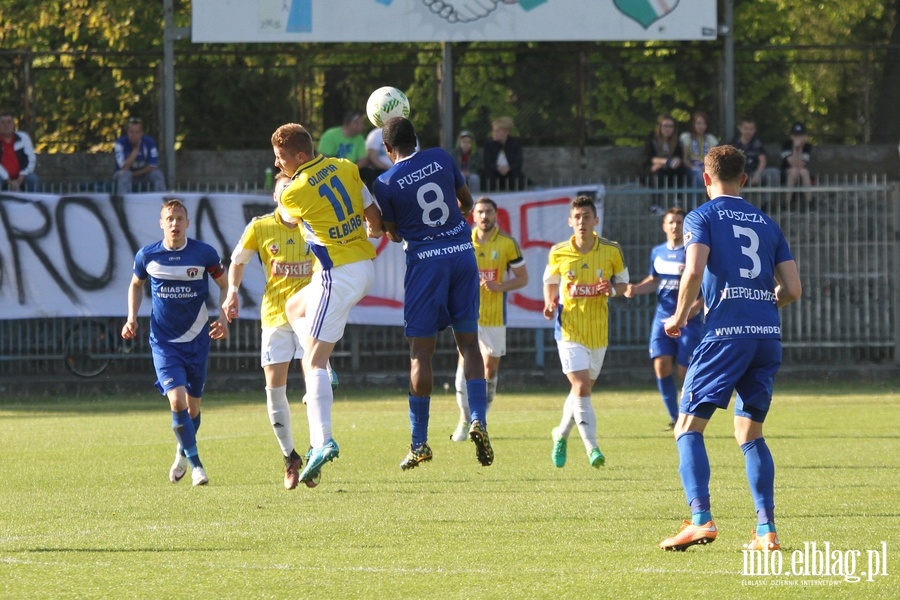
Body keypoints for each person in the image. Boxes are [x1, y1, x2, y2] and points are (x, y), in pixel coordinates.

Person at [658, 145, 802, 552]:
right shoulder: (767, 222)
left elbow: (694, 269)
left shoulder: (701, 216)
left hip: (726, 334)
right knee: (750, 431)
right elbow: (793, 289)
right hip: (766, 335)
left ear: (706, 179)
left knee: (687, 427)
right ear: (745, 178)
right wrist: (763, 303)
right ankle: (766, 531)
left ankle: (701, 519)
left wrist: (679, 316)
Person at [373, 116, 493, 471]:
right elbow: (468, 203)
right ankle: (478, 420)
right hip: (462, 254)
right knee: (469, 345)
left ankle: (419, 443)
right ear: (416, 139)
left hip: (426, 264)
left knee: (420, 352)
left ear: (388, 149)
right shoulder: (441, 157)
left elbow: (394, 234)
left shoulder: (385, 182)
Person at [271, 122, 383, 487]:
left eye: (281, 159)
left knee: (311, 362)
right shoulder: (347, 167)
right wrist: (368, 232)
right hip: (362, 266)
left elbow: (287, 219)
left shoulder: (294, 191)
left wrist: (280, 191)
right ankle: (326, 370)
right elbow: (374, 219)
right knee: (293, 307)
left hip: (338, 273)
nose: (278, 165)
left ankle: (322, 441)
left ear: (300, 156)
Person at [223, 173, 337, 490]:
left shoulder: (313, 225)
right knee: (275, 391)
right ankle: (290, 457)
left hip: (308, 317)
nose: (288, 195)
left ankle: (317, 449)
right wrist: (232, 291)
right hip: (275, 318)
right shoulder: (260, 227)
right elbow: (238, 261)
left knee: (317, 381)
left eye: (292, 190)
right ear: (276, 197)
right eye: (282, 191)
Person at [121, 198, 229, 487]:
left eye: (179, 218)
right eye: (169, 218)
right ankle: (197, 467)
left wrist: (224, 318)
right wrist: (131, 317)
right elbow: (135, 284)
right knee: (177, 401)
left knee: (193, 409)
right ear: (161, 223)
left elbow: (224, 284)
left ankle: (182, 453)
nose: (174, 224)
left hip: (197, 340)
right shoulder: (148, 256)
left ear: (187, 223)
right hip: (164, 343)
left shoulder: (203, 254)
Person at [543, 195, 629, 469]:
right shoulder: (558, 252)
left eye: (586, 217)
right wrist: (549, 301)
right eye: (577, 217)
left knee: (581, 391)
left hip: (598, 332)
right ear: (570, 221)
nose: (582, 222)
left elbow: (625, 284)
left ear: (596, 220)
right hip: (568, 330)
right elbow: (549, 280)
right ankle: (592, 448)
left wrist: (612, 290)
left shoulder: (611, 250)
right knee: (580, 387)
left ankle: (561, 434)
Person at [451, 196, 528, 441]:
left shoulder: (507, 244)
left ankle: (481, 418)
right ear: (473, 216)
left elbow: (523, 278)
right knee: (464, 362)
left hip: (494, 318)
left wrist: (501, 285)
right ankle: (464, 421)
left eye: (489, 212)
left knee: (489, 368)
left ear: (496, 215)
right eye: (480, 212)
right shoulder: (462, 240)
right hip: (466, 314)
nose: (485, 216)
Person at [623, 207, 703, 430]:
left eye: (679, 222)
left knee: (684, 371)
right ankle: (676, 418)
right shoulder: (657, 252)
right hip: (662, 318)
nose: (675, 226)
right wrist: (635, 289)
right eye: (672, 222)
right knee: (661, 365)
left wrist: (697, 306)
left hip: (688, 320)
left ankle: (691, 415)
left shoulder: (693, 252)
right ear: (664, 226)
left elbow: (706, 286)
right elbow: (654, 279)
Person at [113, 117, 166, 194]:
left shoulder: (149, 142)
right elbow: (124, 167)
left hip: (143, 175)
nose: (134, 135)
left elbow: (152, 166)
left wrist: (134, 174)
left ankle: (161, 202)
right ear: (127, 132)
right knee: (125, 175)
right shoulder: (120, 143)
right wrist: (135, 150)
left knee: (157, 174)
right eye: (131, 132)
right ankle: (123, 203)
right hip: (123, 175)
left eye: (137, 132)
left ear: (142, 133)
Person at [641, 114, 689, 197]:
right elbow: (648, 157)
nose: (668, 129)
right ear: (660, 126)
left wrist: (677, 160)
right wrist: (664, 162)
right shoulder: (652, 138)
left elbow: (679, 156)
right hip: (653, 166)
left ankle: (678, 200)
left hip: (670, 167)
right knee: (658, 173)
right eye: (665, 126)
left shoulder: (676, 141)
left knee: (681, 171)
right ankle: (656, 204)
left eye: (671, 126)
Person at [730, 116, 779, 190]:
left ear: (755, 130)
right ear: (740, 128)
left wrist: (757, 174)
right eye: (746, 129)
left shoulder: (757, 143)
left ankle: (768, 201)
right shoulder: (734, 143)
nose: (748, 131)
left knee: (773, 172)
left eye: (751, 129)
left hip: (755, 172)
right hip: (739, 174)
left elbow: (762, 160)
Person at [482, 116, 527, 192]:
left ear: (506, 132)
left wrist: (508, 168)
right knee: (488, 176)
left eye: (497, 131)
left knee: (517, 177)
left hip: (510, 171)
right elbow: (487, 162)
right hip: (495, 171)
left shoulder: (515, 143)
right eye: (494, 131)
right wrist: (497, 168)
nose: (494, 133)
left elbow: (518, 162)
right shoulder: (489, 144)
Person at [0, 112, 39, 192]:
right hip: (2, 176)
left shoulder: (23, 137)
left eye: (9, 122)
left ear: (13, 124)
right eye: (2, 122)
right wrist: (8, 180)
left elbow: (31, 159)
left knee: (33, 179)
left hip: (22, 175)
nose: (6, 125)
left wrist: (20, 178)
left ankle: (32, 204)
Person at [679, 111, 718, 189]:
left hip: (706, 167)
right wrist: (693, 167)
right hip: (691, 167)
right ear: (694, 124)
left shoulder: (711, 139)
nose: (701, 126)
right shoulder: (686, 138)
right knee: (698, 175)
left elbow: (713, 158)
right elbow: (685, 159)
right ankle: (696, 201)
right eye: (699, 123)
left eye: (704, 124)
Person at [780, 121, 813, 206]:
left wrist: (801, 148)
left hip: (800, 170)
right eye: (796, 136)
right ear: (791, 136)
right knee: (793, 171)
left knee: (804, 171)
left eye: (800, 135)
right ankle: (787, 203)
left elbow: (801, 164)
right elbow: (793, 164)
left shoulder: (807, 146)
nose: (798, 138)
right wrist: (795, 147)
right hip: (786, 171)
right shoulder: (786, 145)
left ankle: (809, 203)